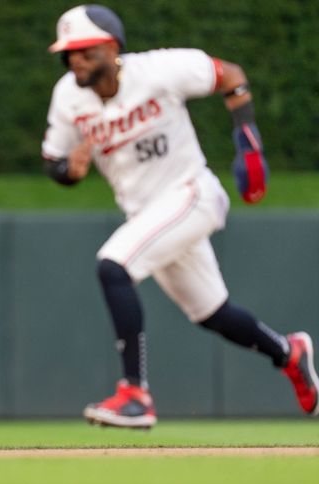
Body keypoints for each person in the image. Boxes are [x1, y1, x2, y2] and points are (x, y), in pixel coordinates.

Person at [41, 4, 318, 428]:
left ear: (111, 47)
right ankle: (289, 353)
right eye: (68, 53)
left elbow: (231, 74)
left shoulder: (158, 69)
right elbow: (54, 162)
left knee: (114, 266)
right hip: (145, 214)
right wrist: (67, 171)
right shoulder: (67, 95)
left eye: (83, 50)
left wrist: (247, 137)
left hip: (191, 194)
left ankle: (135, 394)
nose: (74, 59)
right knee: (214, 314)